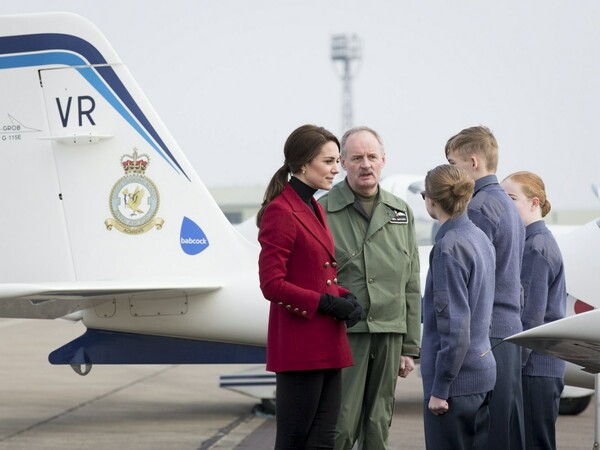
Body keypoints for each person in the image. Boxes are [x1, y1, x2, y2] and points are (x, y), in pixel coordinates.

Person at [257, 124, 363, 450]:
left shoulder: (313, 206)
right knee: (293, 440)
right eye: (329, 162)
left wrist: (345, 297)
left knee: (322, 441)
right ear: (303, 164)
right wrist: (328, 304)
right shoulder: (281, 211)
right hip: (301, 345)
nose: (336, 169)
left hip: (326, 341)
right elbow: (272, 284)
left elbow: (317, 274)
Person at [317, 126, 421, 450]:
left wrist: (409, 346)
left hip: (389, 332)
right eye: (357, 157)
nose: (366, 164)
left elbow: (411, 281)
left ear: (383, 160)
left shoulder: (401, 211)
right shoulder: (322, 210)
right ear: (343, 162)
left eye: (372, 157)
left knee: (379, 425)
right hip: (344, 334)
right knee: (342, 425)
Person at [445, 125, 526, 450]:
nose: (450, 171)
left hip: (486, 334)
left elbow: (470, 279)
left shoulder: (477, 208)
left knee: (485, 434)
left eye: (454, 163)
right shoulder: (507, 204)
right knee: (505, 430)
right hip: (508, 330)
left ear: (473, 162)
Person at [420, 164, 497, 450]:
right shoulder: (480, 238)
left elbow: (454, 327)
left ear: (432, 200)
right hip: (481, 371)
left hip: (456, 386)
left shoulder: (448, 248)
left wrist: (441, 388)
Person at [501, 171, 567, 450]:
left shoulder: (535, 248)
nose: (504, 205)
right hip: (538, 367)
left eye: (511, 198)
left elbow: (530, 318)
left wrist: (511, 370)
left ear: (534, 202)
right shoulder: (535, 242)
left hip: (533, 368)